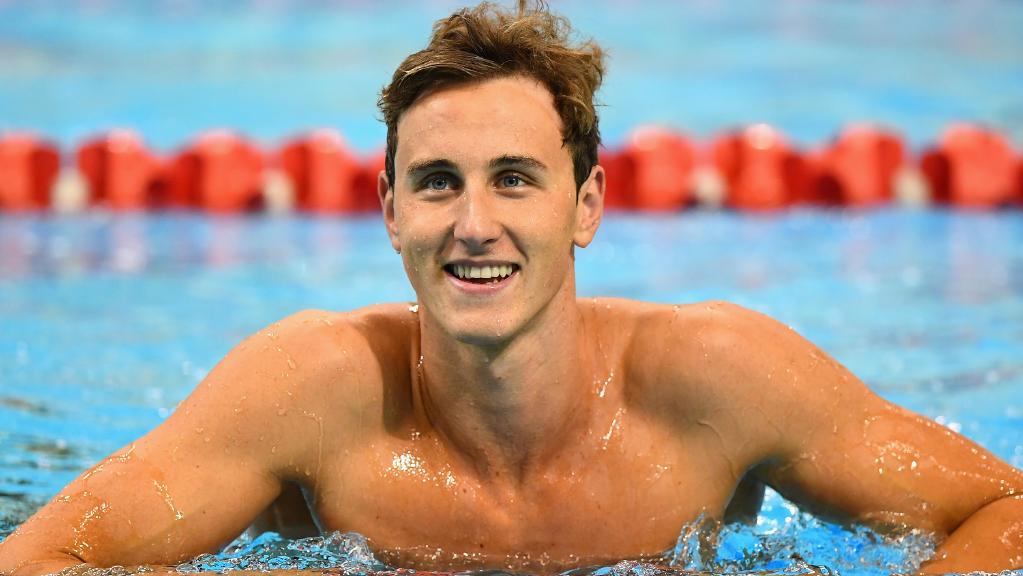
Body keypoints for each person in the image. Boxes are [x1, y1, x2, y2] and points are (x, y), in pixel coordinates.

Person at [2, 2, 1022, 575]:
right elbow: (44, 560)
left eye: (514, 179)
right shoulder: (311, 393)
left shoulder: (716, 380)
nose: (473, 223)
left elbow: (1002, 512)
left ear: (586, 207)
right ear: (390, 210)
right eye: (437, 182)